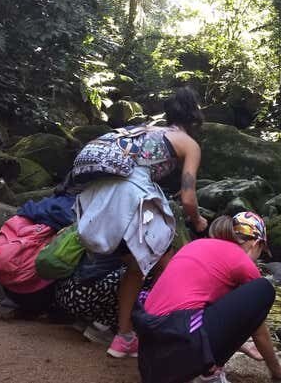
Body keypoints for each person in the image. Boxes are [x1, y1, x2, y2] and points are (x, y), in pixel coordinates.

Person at [74, 86, 208, 358]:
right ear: (194, 118)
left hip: (101, 197)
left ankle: (123, 337)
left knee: (137, 268)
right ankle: (178, 336)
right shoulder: (189, 144)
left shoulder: (148, 130)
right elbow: (188, 198)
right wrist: (198, 221)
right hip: (130, 198)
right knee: (168, 267)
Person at [133, 212, 281, 383]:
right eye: (261, 251)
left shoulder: (197, 245)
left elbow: (198, 305)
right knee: (264, 289)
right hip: (178, 347)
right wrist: (277, 370)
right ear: (256, 244)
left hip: (149, 357)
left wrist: (243, 347)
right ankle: (208, 374)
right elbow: (258, 330)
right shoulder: (241, 261)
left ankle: (202, 370)